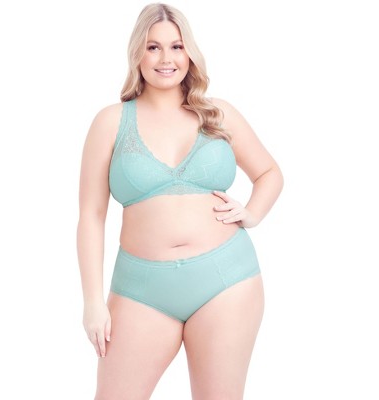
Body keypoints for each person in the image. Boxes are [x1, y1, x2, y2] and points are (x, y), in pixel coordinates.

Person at [77, 3, 283, 399]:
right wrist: (92, 303)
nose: (166, 59)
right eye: (153, 47)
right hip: (140, 290)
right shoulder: (110, 122)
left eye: (176, 46)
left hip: (227, 281)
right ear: (137, 53)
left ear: (189, 52)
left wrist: (252, 213)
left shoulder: (218, 115)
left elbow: (270, 173)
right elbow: (91, 215)